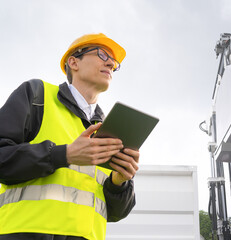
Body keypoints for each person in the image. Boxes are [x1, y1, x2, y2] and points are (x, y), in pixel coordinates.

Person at [0, 33, 139, 240]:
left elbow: (115, 214)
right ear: (73, 62)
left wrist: (120, 183)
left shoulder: (110, 130)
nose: (111, 63)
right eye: (102, 54)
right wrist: (63, 154)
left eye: (114, 62)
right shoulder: (37, 96)